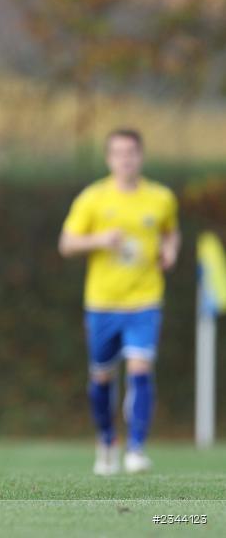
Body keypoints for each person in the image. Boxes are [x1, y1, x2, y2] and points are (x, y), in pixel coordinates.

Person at [59, 128, 180, 475]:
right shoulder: (93, 198)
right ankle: (107, 440)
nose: (126, 160)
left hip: (145, 300)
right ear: (109, 158)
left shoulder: (160, 198)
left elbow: (171, 231)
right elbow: (66, 243)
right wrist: (100, 239)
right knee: (101, 377)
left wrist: (170, 250)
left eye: (132, 153)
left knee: (141, 370)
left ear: (141, 156)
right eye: (119, 153)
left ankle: (136, 449)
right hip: (102, 303)